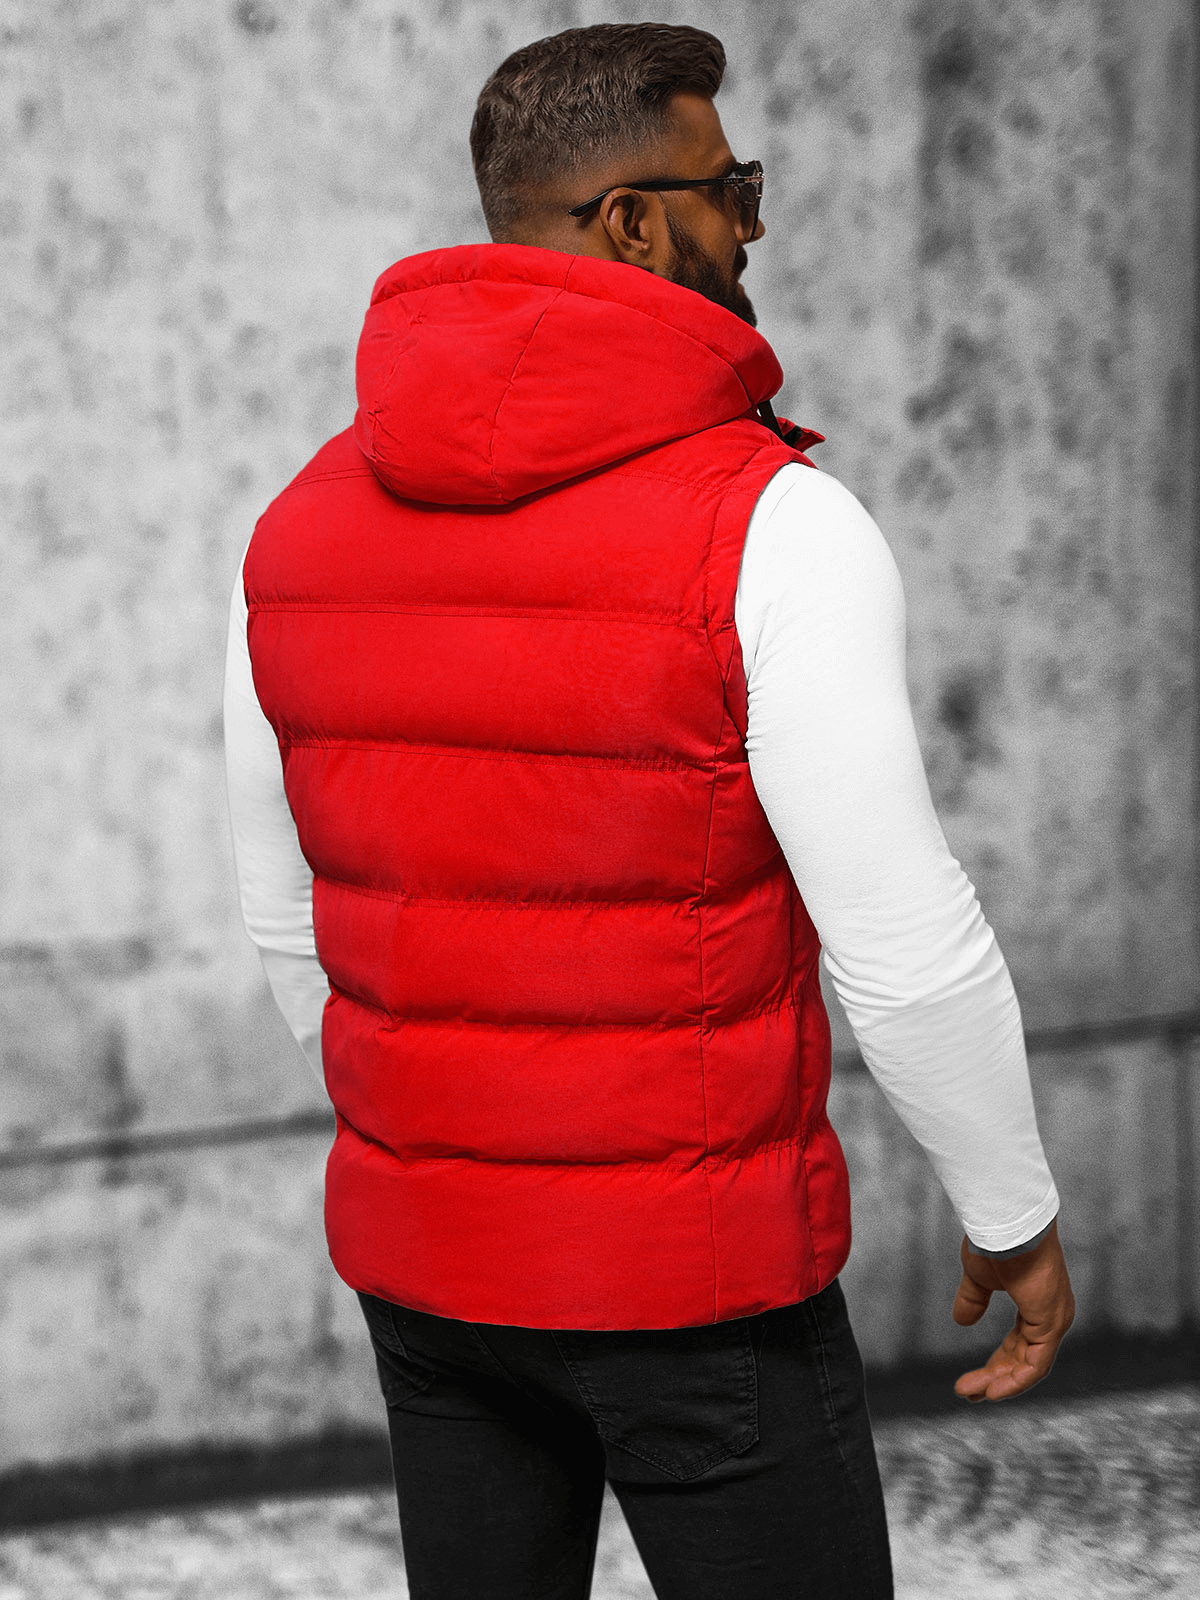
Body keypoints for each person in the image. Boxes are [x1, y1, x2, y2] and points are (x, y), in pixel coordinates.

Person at [223, 21, 1075, 1599]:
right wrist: (1010, 1211)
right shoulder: (775, 526)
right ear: (629, 221)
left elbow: (288, 917)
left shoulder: (294, 530)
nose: (752, 227)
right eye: (730, 189)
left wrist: (455, 1137)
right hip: (698, 1290)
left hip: (430, 1278)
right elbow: (903, 948)